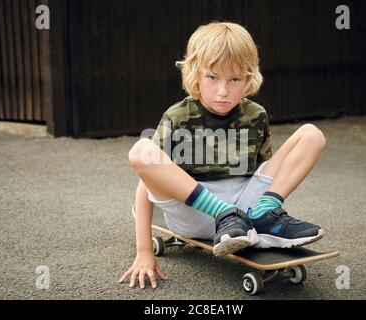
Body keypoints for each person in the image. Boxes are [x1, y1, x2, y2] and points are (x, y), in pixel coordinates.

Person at [119, 22, 326, 289]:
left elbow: (263, 171)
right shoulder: (178, 117)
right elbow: (145, 182)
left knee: (312, 134)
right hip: (196, 212)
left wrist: (262, 201)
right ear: (195, 74)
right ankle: (225, 214)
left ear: (249, 78)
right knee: (141, 151)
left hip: (245, 208)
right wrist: (144, 252)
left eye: (235, 79)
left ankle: (264, 214)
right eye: (213, 77)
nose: (223, 91)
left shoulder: (256, 115)